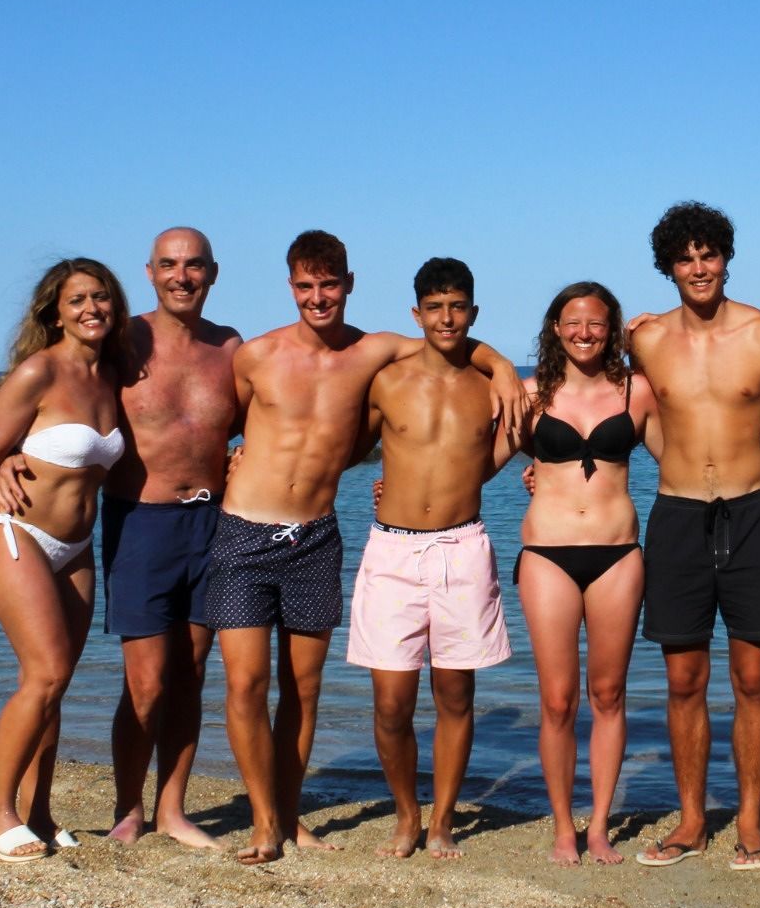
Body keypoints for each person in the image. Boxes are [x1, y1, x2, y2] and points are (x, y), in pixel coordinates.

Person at [204, 233, 522, 864]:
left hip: (324, 536)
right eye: (305, 286)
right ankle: (272, 821)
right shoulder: (260, 355)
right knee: (250, 684)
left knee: (308, 688)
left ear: (349, 284)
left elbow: (457, 347)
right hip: (258, 531)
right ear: (291, 287)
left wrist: (506, 367)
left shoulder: (375, 351)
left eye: (329, 284)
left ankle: (305, 819)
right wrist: (227, 465)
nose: (318, 297)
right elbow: (221, 427)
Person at [0, 228, 242, 848]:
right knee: (147, 680)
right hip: (141, 521)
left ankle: (174, 809)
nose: (181, 276)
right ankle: (128, 805)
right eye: (168, 265)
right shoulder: (120, 340)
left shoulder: (230, 348)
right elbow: (50, 386)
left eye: (193, 265)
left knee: (191, 671)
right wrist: (6, 457)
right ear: (150, 272)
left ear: (213, 273)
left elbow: (281, 422)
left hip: (211, 521)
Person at [630, 201, 760, 871]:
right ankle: (689, 820)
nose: (698, 267)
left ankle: (748, 820)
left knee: (751, 678)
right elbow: (604, 407)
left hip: (751, 515)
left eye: (708, 254)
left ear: (726, 257)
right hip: (678, 515)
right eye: (684, 258)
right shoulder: (646, 341)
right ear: (668, 268)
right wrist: (546, 465)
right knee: (683, 680)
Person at [349, 258, 525, 862]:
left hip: (462, 545)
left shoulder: (495, 386)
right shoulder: (387, 380)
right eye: (435, 307)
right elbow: (342, 447)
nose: (446, 318)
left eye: (457, 307)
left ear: (473, 312)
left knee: (455, 696)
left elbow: (522, 440)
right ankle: (405, 815)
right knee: (391, 702)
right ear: (416, 313)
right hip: (392, 549)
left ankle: (444, 820)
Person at [0, 258, 129, 861]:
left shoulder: (112, 375)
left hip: (77, 549)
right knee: (46, 674)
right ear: (53, 311)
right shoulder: (39, 370)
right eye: (78, 299)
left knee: (55, 686)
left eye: (101, 297)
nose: (91, 309)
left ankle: (38, 811)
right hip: (19, 534)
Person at [515, 282, 660, 866]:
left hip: (618, 554)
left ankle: (599, 825)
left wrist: (759, 467)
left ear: (612, 328)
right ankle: (561, 827)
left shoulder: (637, 391)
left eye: (596, 323)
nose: (584, 333)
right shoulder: (529, 395)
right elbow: (476, 457)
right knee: (557, 699)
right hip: (547, 553)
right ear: (555, 327)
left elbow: (681, 463)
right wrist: (397, 490)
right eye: (573, 322)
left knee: (608, 693)